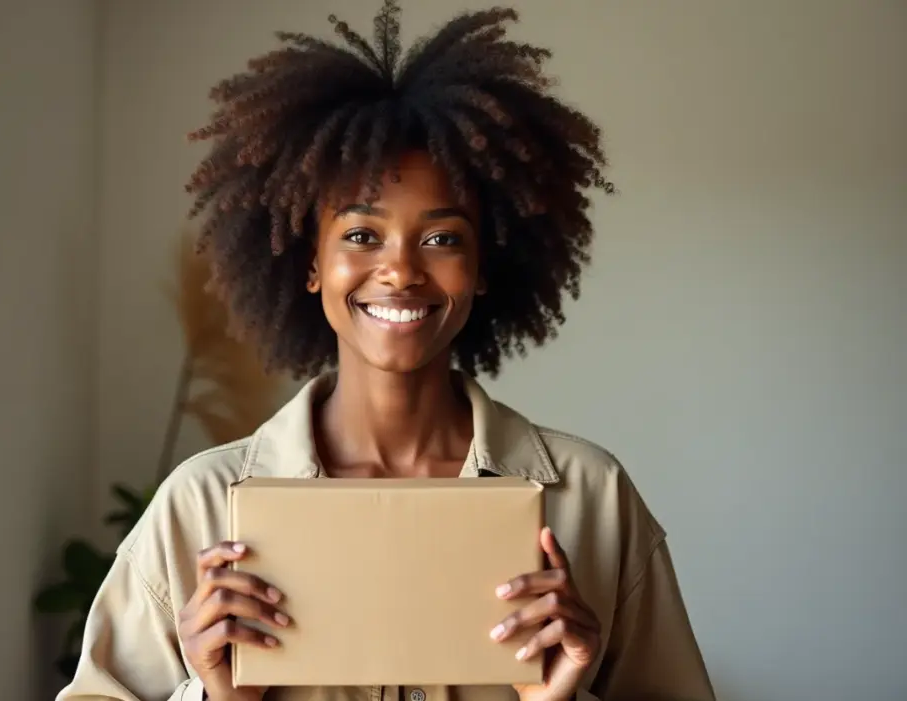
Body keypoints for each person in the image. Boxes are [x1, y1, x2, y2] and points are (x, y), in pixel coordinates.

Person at [57, 3, 715, 701]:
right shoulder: (199, 506)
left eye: (442, 238)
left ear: (485, 267)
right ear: (310, 262)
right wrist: (216, 696)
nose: (400, 271)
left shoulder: (593, 499)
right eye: (362, 235)